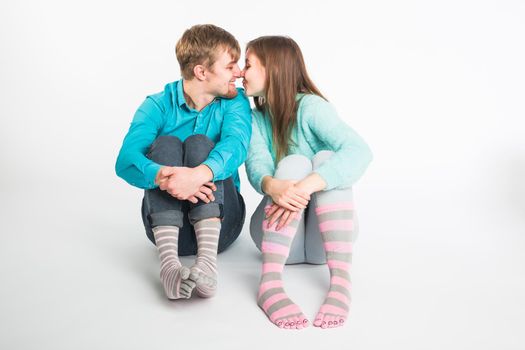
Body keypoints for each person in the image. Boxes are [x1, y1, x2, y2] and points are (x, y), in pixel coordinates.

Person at [242, 36, 373, 329]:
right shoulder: (253, 118)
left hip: (325, 245)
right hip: (276, 241)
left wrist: (306, 185)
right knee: (294, 163)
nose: (241, 73)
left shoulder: (312, 107)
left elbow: (360, 151)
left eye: (248, 64)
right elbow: (256, 164)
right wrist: (271, 185)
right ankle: (270, 282)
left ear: (272, 68)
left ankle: (340, 282)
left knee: (326, 159)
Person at [115, 24, 251, 300]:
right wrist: (165, 176)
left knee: (200, 143)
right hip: (167, 232)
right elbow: (126, 161)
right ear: (202, 72)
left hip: (221, 225)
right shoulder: (157, 104)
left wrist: (197, 175)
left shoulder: (235, 102)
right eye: (230, 66)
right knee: (165, 145)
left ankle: (207, 264)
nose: (239, 73)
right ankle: (169, 266)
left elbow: (237, 145)